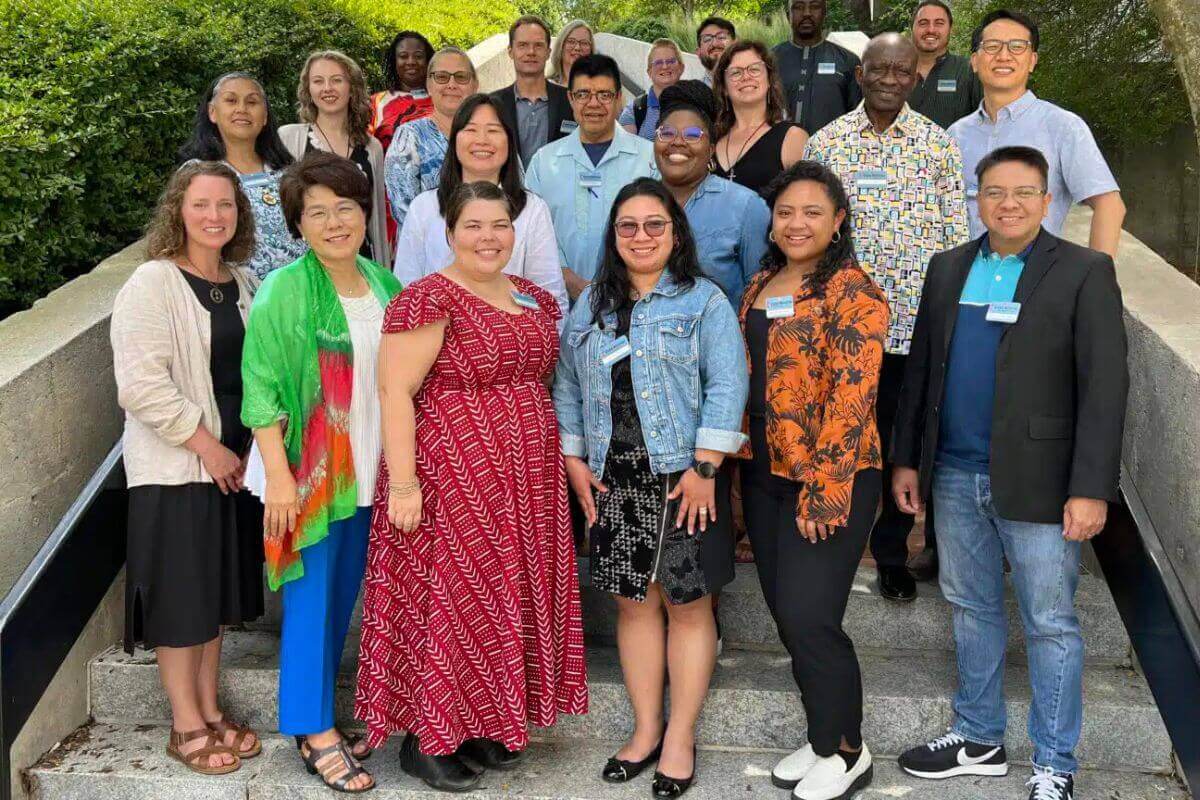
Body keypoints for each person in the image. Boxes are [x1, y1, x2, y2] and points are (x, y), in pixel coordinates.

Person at [893, 146, 1129, 800]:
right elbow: (922, 372)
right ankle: (979, 736)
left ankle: (1055, 763)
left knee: (1050, 622)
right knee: (970, 608)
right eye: (995, 191)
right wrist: (909, 458)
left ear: (1047, 200)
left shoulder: (1083, 270)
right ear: (978, 197)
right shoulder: (947, 269)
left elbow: (1105, 387)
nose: (1009, 204)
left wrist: (1090, 488)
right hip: (953, 474)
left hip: (1043, 481)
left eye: (1024, 192)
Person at [354, 181, 588, 792]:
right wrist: (403, 485)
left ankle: (483, 722)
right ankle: (427, 739)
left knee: (502, 597)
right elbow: (394, 392)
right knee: (452, 600)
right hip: (453, 472)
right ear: (449, 233)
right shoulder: (428, 299)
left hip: (525, 476)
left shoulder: (534, 297)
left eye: (500, 226)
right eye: (474, 226)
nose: (488, 238)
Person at [554, 178, 748, 798]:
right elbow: (566, 385)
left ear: (675, 233)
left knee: (689, 606)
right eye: (628, 226)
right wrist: (575, 458)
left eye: (654, 225)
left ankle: (680, 737)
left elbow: (728, 383)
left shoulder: (704, 301)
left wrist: (706, 466)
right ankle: (644, 730)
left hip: (683, 478)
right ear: (614, 237)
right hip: (615, 479)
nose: (641, 236)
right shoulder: (591, 307)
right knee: (634, 606)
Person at [241, 151, 402, 794]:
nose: (335, 222)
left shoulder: (384, 284)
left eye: (345, 207)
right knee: (310, 602)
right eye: (318, 212)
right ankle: (312, 730)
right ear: (298, 225)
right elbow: (259, 389)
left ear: (364, 212)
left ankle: (322, 714)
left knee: (342, 600)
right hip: (308, 475)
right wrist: (279, 479)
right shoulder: (285, 288)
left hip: (370, 469)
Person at [736, 161, 887, 800]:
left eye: (813, 213)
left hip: (833, 475)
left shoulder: (854, 292)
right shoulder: (765, 279)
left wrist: (825, 488)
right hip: (765, 470)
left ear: (839, 222)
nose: (797, 224)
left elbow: (854, 398)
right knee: (784, 611)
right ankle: (824, 733)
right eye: (786, 212)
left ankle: (849, 750)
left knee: (811, 614)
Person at [112, 160, 264, 777]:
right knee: (180, 601)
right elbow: (140, 386)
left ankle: (210, 708)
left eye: (225, 205)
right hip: (177, 471)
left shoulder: (245, 281)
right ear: (178, 210)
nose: (214, 216)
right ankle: (185, 726)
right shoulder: (152, 282)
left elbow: (258, 374)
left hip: (236, 469)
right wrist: (208, 446)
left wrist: (253, 447)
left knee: (212, 598)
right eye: (201, 204)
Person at [804, 33, 969, 600]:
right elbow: (808, 235)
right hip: (843, 330)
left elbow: (955, 240)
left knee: (903, 441)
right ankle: (835, 544)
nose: (891, 79)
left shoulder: (938, 146)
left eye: (902, 71)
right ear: (860, 74)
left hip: (914, 328)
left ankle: (893, 553)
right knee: (842, 437)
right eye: (880, 69)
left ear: (915, 78)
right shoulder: (827, 145)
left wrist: (950, 322)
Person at [949, 9, 1126, 256]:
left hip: (1037, 283)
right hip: (965, 282)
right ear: (975, 61)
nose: (1003, 56)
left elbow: (1109, 205)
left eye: (1017, 46)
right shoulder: (955, 135)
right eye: (991, 46)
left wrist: (1096, 282)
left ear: (1032, 60)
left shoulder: (1063, 127)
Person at [394, 93, 568, 316]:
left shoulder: (532, 209)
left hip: (516, 343)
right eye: (471, 129)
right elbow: (405, 290)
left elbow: (550, 297)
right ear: (455, 139)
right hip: (434, 342)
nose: (482, 140)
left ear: (509, 141)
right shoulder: (424, 208)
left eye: (494, 130)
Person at [525, 54, 658, 300]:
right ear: (570, 98)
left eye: (604, 95)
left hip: (634, 299)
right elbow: (530, 232)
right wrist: (568, 278)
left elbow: (660, 231)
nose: (593, 104)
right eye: (583, 94)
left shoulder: (649, 159)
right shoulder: (543, 163)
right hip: (558, 298)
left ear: (619, 99)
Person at [178, 72, 307, 280]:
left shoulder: (289, 173)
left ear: (264, 116)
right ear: (212, 112)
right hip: (237, 299)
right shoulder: (197, 175)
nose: (242, 109)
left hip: (300, 293)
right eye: (231, 100)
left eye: (252, 102)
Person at [654, 81, 769, 302]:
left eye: (692, 134)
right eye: (666, 132)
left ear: (711, 148)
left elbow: (759, 298)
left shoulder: (746, 207)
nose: (677, 142)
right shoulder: (633, 202)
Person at [280, 50, 390, 272]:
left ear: (352, 88)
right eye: (318, 81)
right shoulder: (289, 139)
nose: (327, 88)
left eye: (337, 80)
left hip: (360, 263)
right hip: (309, 265)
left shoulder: (372, 148)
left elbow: (376, 220)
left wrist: (381, 270)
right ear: (308, 90)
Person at [385, 47, 479, 234]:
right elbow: (405, 211)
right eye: (442, 77)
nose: (451, 84)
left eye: (461, 77)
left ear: (475, 85)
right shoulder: (410, 137)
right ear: (429, 84)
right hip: (429, 254)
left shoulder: (494, 136)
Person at [711, 41, 808, 198]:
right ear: (724, 88)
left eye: (754, 69)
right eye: (736, 72)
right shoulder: (712, 139)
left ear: (769, 80)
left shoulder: (793, 138)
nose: (746, 77)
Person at [491, 15, 574, 167]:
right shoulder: (492, 104)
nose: (531, 52)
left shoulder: (571, 100)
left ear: (548, 52)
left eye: (538, 45)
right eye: (522, 45)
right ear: (510, 52)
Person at [773, 0, 862, 135]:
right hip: (778, 152)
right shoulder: (769, 60)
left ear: (824, 13)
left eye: (815, 7)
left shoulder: (847, 60)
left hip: (832, 152)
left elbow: (858, 116)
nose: (807, 13)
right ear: (788, 14)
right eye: (798, 7)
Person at [908, 0, 983, 131]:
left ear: (950, 30)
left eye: (939, 23)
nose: (931, 29)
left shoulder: (969, 70)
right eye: (923, 23)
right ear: (912, 28)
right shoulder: (895, 72)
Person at [368, 31, 435, 153]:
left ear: (429, 61)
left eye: (418, 56)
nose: (411, 62)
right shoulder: (376, 102)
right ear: (394, 61)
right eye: (403, 56)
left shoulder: (442, 99)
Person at [620, 39, 685, 141]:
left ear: (681, 68)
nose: (665, 66)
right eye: (658, 62)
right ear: (649, 72)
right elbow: (628, 152)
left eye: (671, 61)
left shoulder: (698, 105)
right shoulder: (633, 110)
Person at [550, 19, 594, 86]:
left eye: (584, 43)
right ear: (561, 46)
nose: (577, 48)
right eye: (571, 41)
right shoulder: (543, 87)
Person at [695, 17, 735, 87]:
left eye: (721, 37)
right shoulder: (692, 95)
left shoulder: (758, 87)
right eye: (707, 39)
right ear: (698, 52)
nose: (714, 43)